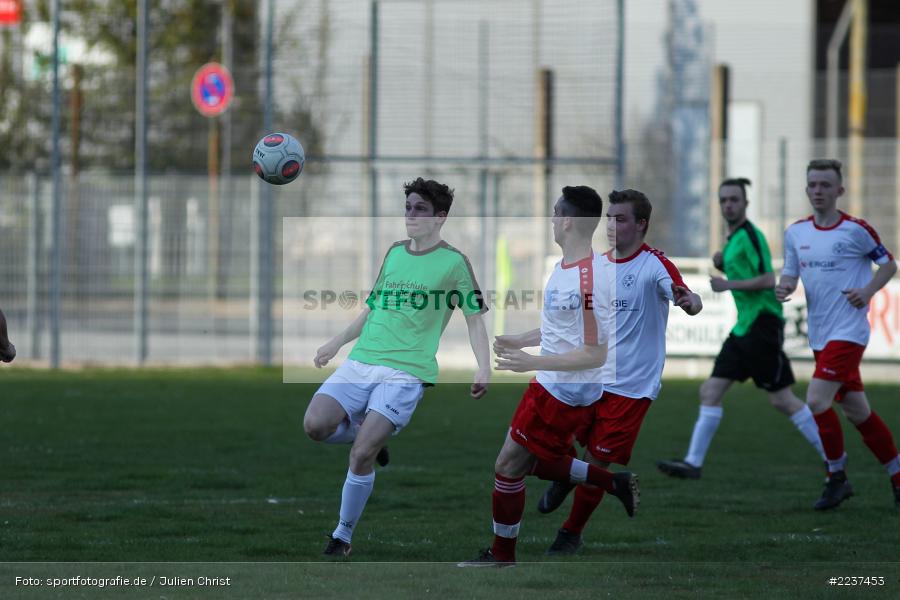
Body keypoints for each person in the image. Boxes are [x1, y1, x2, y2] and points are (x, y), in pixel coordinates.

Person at [304, 177, 492, 556]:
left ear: (440, 217)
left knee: (360, 455)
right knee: (315, 425)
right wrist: (336, 343)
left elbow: (474, 319)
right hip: (362, 361)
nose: (411, 215)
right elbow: (373, 309)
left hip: (407, 371)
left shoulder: (454, 263)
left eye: (420, 208)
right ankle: (369, 436)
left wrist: (483, 368)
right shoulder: (393, 252)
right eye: (407, 207)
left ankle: (342, 536)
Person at [458, 185, 637, 568]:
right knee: (527, 460)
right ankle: (612, 482)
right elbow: (561, 332)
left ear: (568, 221)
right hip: (554, 386)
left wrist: (531, 363)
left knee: (508, 466)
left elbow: (594, 353)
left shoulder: (588, 280)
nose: (552, 219)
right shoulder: (564, 267)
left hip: (561, 392)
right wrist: (519, 340)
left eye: (556, 213)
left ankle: (502, 556)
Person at [535, 189, 702, 555]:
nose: (611, 225)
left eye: (620, 219)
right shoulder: (594, 265)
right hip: (590, 377)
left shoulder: (654, 264)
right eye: (609, 218)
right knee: (548, 445)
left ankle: (570, 534)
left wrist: (689, 301)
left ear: (641, 224)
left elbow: (686, 295)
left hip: (631, 387)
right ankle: (567, 479)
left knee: (598, 458)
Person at [657, 178, 826, 480]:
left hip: (762, 323)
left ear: (746, 203)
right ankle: (692, 464)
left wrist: (726, 283)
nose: (728, 205)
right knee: (709, 391)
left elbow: (766, 279)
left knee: (782, 400)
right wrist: (724, 265)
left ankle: (834, 459)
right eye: (723, 200)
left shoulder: (751, 235)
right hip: (743, 327)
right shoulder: (733, 239)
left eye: (734, 199)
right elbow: (744, 271)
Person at [775, 159, 900, 509]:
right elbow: (790, 272)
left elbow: (888, 264)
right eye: (813, 184)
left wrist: (868, 291)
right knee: (859, 412)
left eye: (825, 185)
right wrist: (785, 287)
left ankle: (836, 476)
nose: (818, 191)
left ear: (839, 191)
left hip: (849, 331)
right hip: (820, 334)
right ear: (806, 189)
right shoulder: (796, 233)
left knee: (816, 400)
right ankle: (898, 476)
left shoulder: (856, 230)